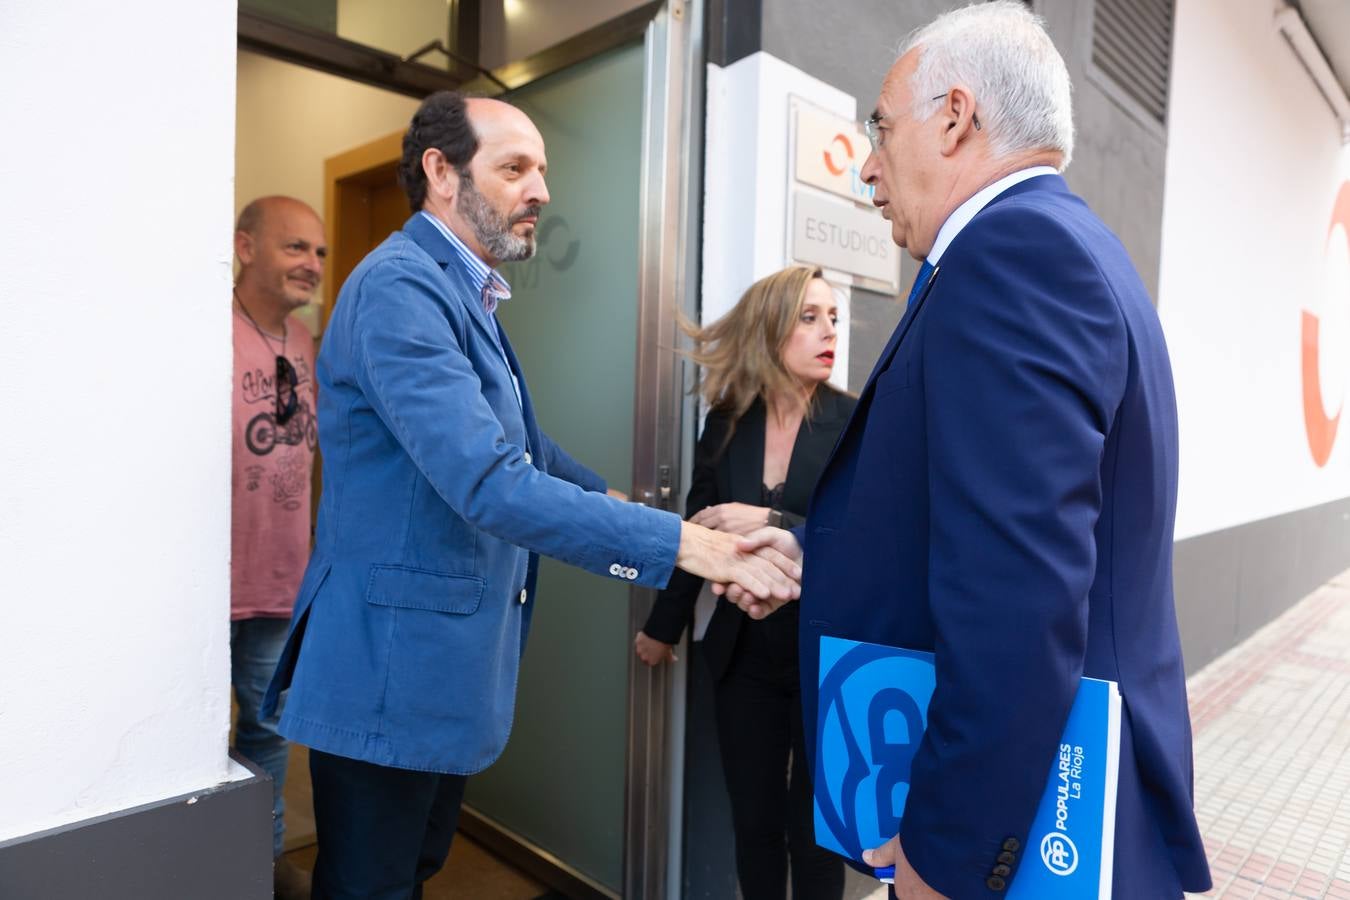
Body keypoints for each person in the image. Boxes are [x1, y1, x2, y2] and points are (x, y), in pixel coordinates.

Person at [260, 90, 799, 899]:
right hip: (386, 674)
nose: (541, 189)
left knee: (409, 871)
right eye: (514, 167)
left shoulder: (463, 293)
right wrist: (692, 548)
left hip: (434, 677)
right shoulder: (400, 290)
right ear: (441, 173)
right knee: (370, 886)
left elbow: (530, 452)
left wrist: (654, 519)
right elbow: (489, 481)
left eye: (543, 169)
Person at [728, 3, 1213, 897]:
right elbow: (971, 526)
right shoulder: (1065, 245)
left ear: (954, 117)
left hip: (1037, 834)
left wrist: (946, 856)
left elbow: (1018, 601)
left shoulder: (1010, 256)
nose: (868, 168)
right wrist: (802, 546)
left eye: (879, 127)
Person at [636, 265, 850, 900]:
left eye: (832, 317)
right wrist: (662, 625)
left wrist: (773, 518)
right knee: (753, 824)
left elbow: (866, 540)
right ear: (770, 330)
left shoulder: (854, 419)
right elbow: (695, 531)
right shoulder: (729, 420)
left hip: (823, 652)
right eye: (808, 317)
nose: (827, 331)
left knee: (815, 831)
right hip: (742, 655)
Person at [231, 195, 326, 900]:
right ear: (246, 248)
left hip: (280, 581)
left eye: (319, 253)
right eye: (295, 247)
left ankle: (255, 870)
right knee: (191, 743)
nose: (312, 265)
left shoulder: (309, 346)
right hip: (201, 586)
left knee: (268, 734)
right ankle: (204, 867)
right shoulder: (201, 333)